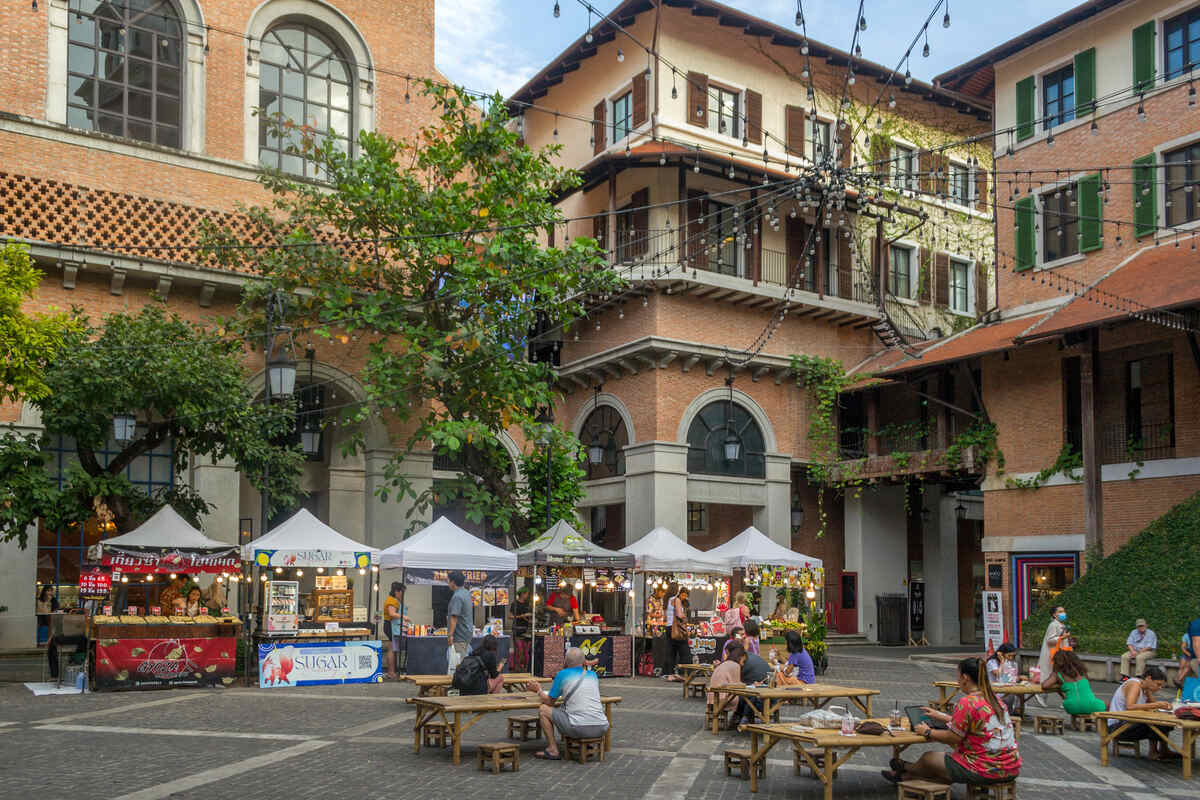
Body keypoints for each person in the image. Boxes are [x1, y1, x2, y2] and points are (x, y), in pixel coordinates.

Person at [883, 657, 1021, 786]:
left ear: (965, 677)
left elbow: (953, 736)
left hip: (983, 769)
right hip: (1011, 768)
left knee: (929, 758)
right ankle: (904, 777)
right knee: (944, 770)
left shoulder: (967, 702)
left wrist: (927, 731)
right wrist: (939, 715)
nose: (958, 680)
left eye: (958, 675)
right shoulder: (995, 699)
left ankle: (906, 767)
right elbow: (979, 723)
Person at [527, 647, 609, 760]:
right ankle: (589, 745)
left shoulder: (562, 674)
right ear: (584, 661)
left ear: (565, 661)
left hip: (578, 727)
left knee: (543, 710)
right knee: (571, 709)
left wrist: (538, 690)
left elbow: (550, 702)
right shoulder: (592, 675)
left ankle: (552, 749)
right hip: (602, 726)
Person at [1108, 666, 1176, 759]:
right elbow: (1130, 707)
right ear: (1148, 678)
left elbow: (1153, 705)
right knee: (1157, 724)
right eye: (1158, 684)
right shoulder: (1134, 685)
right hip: (1118, 726)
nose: (1159, 688)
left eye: (1161, 686)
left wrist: (1163, 706)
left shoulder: (1145, 687)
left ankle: (1163, 749)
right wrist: (1157, 705)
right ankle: (1153, 752)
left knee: (1165, 723)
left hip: (1129, 723)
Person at [1042, 649, 1106, 715]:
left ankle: (1086, 722)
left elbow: (1045, 685)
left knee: (1082, 706)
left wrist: (1058, 685)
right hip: (1091, 705)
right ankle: (1109, 724)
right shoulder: (1082, 672)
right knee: (1108, 705)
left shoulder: (1058, 674)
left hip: (1071, 707)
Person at [1035, 606, 1069, 706]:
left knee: (1059, 678)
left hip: (1060, 655)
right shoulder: (1053, 625)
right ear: (1054, 615)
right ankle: (1042, 695)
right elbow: (1050, 640)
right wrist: (1063, 637)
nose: (1063, 613)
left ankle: (1064, 699)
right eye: (1060, 611)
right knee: (1057, 677)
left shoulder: (1060, 625)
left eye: (1064, 611)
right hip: (1053, 655)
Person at [732, 643, 772, 724]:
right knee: (747, 694)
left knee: (742, 696)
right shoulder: (748, 656)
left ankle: (743, 717)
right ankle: (743, 717)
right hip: (763, 688)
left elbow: (736, 681)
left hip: (762, 694)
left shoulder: (745, 663)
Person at [446, 570, 475, 668]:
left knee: (459, 666)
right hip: (466, 634)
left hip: (459, 635)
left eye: (449, 581)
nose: (448, 583)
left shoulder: (457, 596)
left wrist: (450, 635)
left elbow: (454, 617)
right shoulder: (466, 593)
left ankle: (461, 683)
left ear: (453, 582)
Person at [383, 582, 411, 680]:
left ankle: (392, 671)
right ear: (396, 591)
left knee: (393, 648)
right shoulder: (392, 600)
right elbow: (391, 613)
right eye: (401, 592)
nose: (402, 594)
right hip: (391, 626)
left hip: (393, 626)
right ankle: (391, 672)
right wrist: (404, 616)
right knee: (391, 648)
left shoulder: (394, 600)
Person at [986, 643, 1020, 716]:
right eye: (1009, 655)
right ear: (1001, 654)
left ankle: (1015, 712)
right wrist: (1002, 661)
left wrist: (1017, 677)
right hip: (994, 689)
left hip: (1004, 686)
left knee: (1019, 693)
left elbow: (1009, 676)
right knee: (1011, 695)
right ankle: (1009, 714)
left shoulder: (1010, 662)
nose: (1011, 658)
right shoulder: (992, 662)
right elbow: (998, 674)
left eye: (1013, 656)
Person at [708, 642, 743, 708]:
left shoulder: (723, 664)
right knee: (747, 698)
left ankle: (738, 717)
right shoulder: (736, 665)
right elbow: (737, 685)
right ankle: (742, 717)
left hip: (711, 699)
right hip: (723, 700)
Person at [509, 585, 533, 673]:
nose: (527, 595)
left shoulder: (528, 604)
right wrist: (521, 616)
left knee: (526, 649)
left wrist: (529, 619)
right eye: (526, 593)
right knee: (519, 649)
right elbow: (510, 616)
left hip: (526, 629)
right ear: (522, 594)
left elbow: (529, 616)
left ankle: (526, 667)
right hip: (517, 628)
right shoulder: (514, 604)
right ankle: (518, 667)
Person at [1176, 616, 1200, 686]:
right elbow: (1184, 647)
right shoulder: (1186, 635)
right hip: (1189, 653)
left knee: (1188, 665)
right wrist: (1188, 654)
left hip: (1192, 655)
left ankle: (1179, 680)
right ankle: (1179, 680)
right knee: (1184, 665)